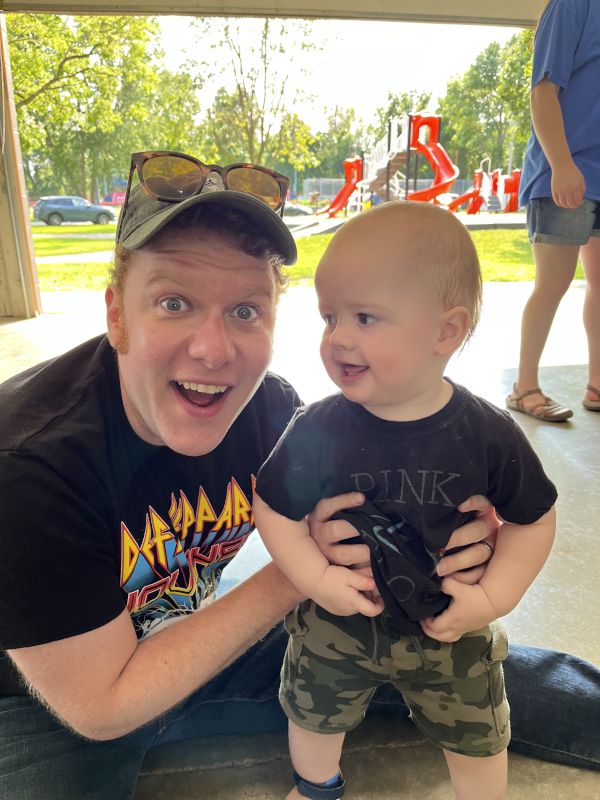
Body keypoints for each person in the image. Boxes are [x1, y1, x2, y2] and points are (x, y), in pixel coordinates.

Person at [0, 153, 597, 800]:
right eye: (173, 303)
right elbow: (101, 706)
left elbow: (369, 505)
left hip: (183, 644)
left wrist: (447, 533)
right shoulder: (30, 468)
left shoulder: (272, 414)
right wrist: (295, 573)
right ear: (117, 314)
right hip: (45, 704)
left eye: (246, 311)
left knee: (440, 656)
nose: (214, 349)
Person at [253, 201, 557, 800]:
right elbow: (273, 507)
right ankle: (317, 787)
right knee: (312, 711)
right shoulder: (317, 428)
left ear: (446, 331)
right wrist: (316, 578)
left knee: (478, 732)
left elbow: (533, 518)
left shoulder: (486, 433)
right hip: (341, 617)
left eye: (365, 317)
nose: (337, 337)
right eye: (328, 316)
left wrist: (494, 596)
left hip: (450, 623)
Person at [507, 0, 600, 422]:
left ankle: (597, 385)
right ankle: (524, 387)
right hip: (564, 169)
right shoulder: (571, 6)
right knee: (553, 284)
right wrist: (562, 164)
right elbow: (543, 92)